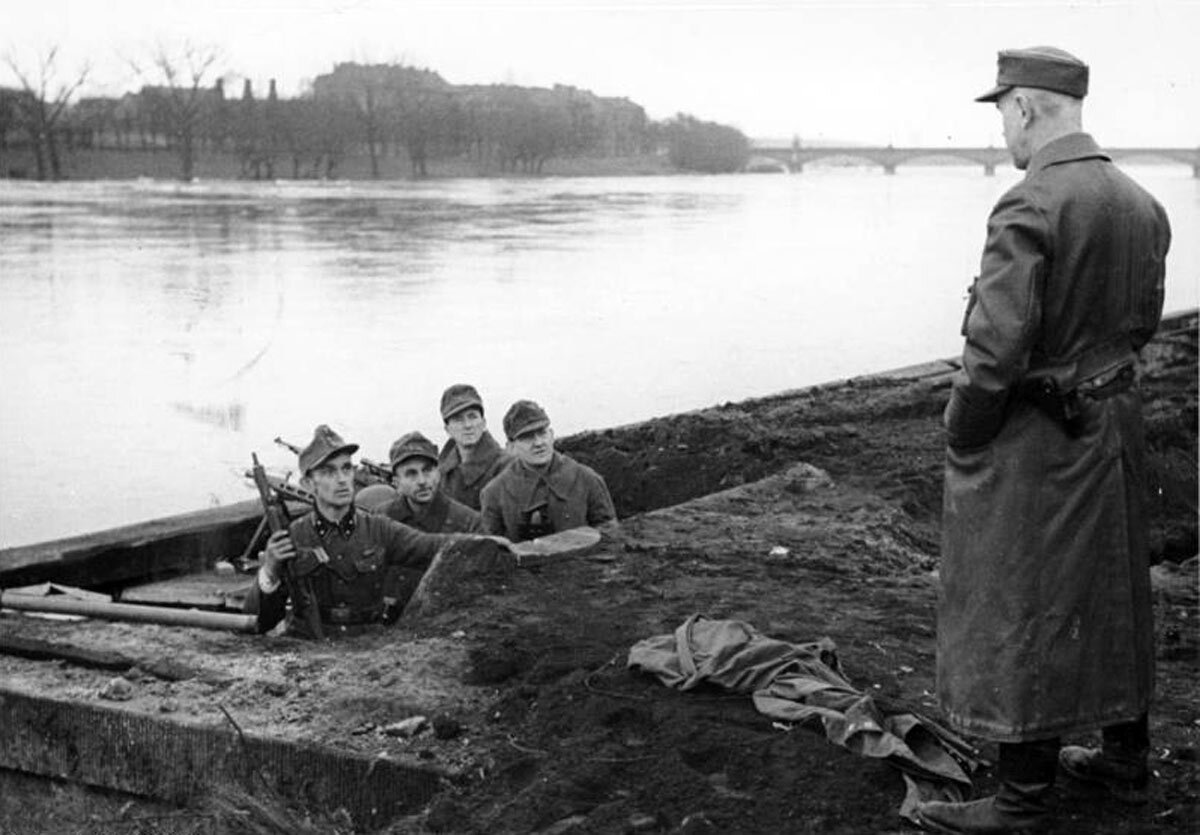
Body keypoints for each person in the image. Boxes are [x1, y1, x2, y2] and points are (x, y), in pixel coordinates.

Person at [914, 47, 1171, 834]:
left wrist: (963, 433)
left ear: (1026, 108)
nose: (1002, 130)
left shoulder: (1027, 207)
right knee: (1113, 589)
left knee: (1022, 598)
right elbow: (1142, 325)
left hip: (1042, 442)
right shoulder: (1141, 203)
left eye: (1002, 112)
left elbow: (992, 357)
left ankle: (1023, 799)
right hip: (1114, 428)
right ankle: (1126, 761)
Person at [243, 424, 505, 638]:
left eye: (346, 468)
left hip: (369, 648)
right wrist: (270, 571)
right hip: (309, 647)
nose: (342, 478)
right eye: (329, 471)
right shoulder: (294, 537)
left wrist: (493, 543)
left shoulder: (380, 528)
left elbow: (434, 545)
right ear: (308, 483)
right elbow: (259, 621)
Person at [480, 399, 618, 542]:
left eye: (542, 433)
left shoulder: (587, 479)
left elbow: (609, 533)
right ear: (511, 447)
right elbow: (491, 550)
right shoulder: (494, 494)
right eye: (527, 437)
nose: (539, 443)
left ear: (552, 435)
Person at [379, 431, 482, 616]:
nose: (422, 481)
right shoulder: (380, 519)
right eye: (411, 474)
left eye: (427, 470)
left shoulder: (469, 522)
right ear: (396, 482)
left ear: (438, 473)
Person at [437, 383, 513, 510]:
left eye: (472, 417)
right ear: (447, 429)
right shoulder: (442, 474)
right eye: (458, 419)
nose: (467, 425)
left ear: (483, 423)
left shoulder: (507, 466)